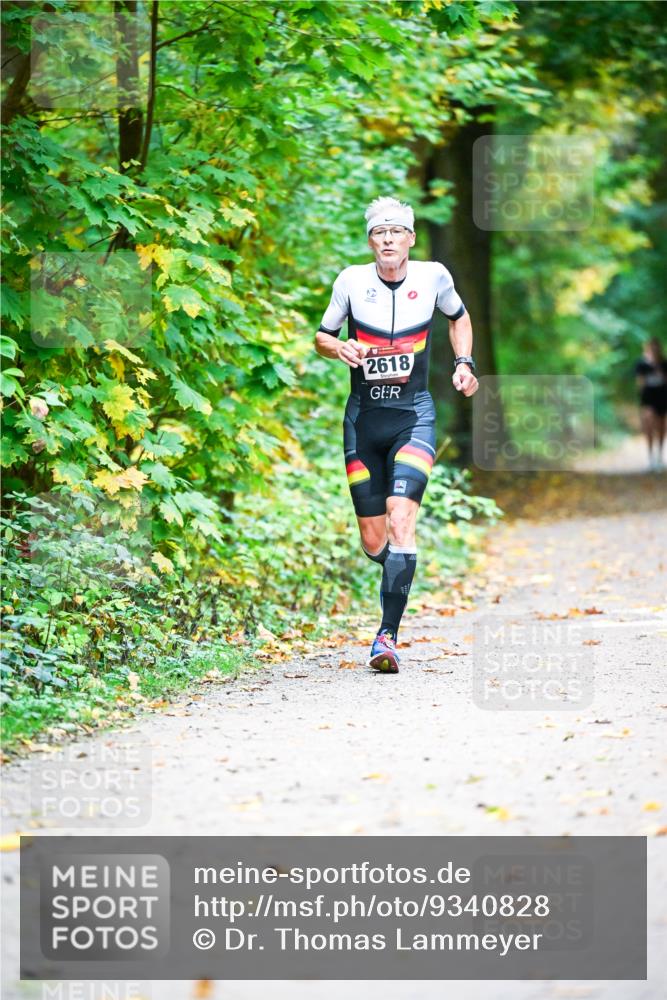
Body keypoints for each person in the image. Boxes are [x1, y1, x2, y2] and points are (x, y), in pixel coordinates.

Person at [314, 196, 478, 674]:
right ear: (371, 241)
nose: (387, 240)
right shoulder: (351, 281)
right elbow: (322, 335)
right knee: (374, 540)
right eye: (378, 233)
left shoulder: (433, 277)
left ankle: (386, 636)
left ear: (409, 239)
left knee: (401, 521)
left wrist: (464, 363)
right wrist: (338, 346)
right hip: (364, 422)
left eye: (396, 232)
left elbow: (459, 317)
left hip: (413, 417)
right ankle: (397, 569)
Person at [635, 338, 667, 472]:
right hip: (648, 399)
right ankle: (650, 457)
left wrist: (659, 369)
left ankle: (659, 456)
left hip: (662, 398)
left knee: (661, 427)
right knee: (649, 423)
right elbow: (639, 383)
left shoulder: (664, 364)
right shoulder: (641, 364)